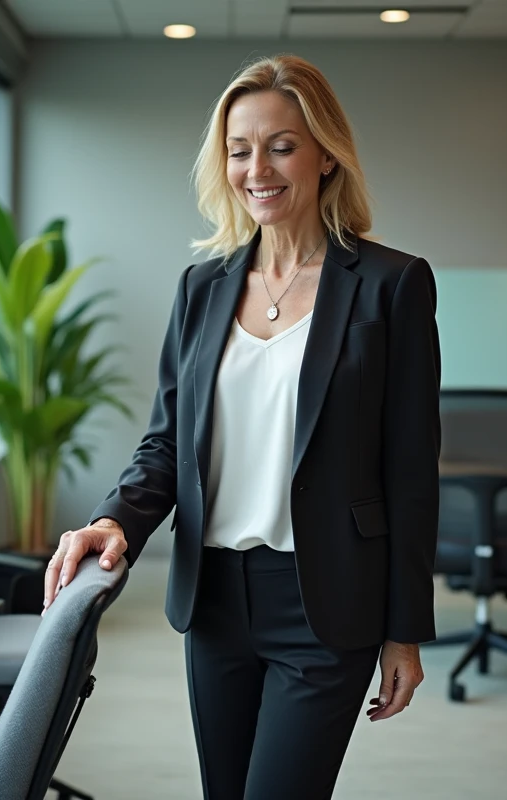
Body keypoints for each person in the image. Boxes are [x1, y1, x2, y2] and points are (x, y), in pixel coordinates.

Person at [44, 54, 441, 799]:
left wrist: (404, 630)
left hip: (326, 603)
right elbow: (167, 439)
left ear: (326, 155)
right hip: (217, 601)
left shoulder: (392, 285)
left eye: (281, 145)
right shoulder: (203, 287)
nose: (257, 167)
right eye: (238, 149)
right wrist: (113, 519)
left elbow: (411, 469)